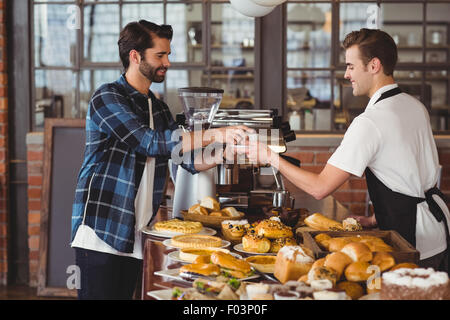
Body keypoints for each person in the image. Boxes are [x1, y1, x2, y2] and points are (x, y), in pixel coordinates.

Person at [240, 28, 449, 273]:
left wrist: (269, 157)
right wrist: (375, 219)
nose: (347, 74)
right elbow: (409, 176)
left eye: (351, 66)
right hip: (439, 231)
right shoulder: (414, 105)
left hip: (412, 242)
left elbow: (320, 188)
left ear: (374, 66)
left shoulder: (370, 122)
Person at [70, 20, 253, 299]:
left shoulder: (158, 107)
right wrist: (217, 132)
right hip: (101, 232)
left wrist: (225, 153)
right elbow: (148, 142)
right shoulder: (107, 97)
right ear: (135, 56)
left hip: (136, 232)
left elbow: (186, 160)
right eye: (160, 55)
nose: (167, 62)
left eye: (168, 54)